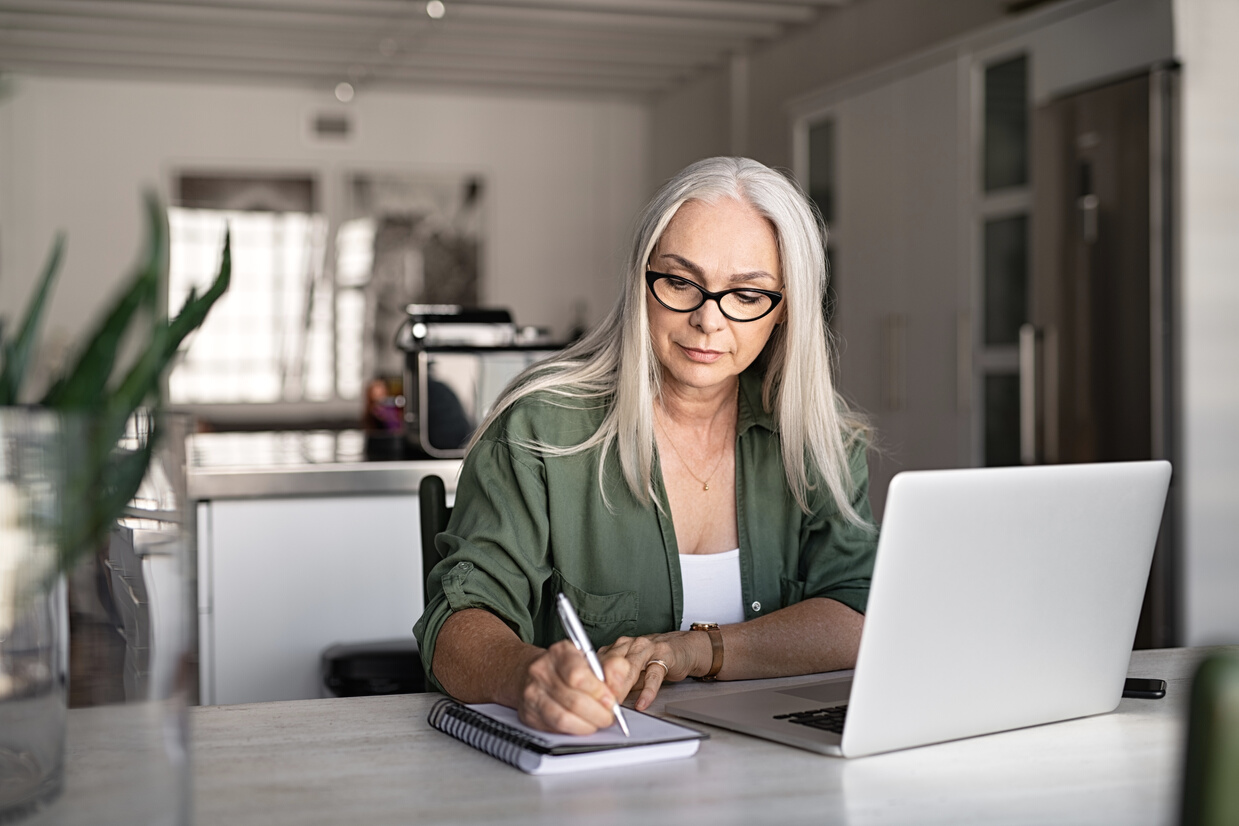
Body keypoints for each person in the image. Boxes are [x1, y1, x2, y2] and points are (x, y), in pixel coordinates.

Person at [413, 156, 877, 735]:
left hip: (780, 762)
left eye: (748, 294)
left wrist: (694, 650)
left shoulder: (820, 437)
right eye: (681, 282)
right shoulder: (539, 427)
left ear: (785, 310)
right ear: (641, 281)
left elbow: (858, 614)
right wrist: (525, 675)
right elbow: (457, 622)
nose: (709, 320)